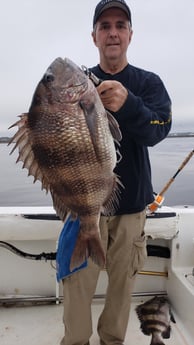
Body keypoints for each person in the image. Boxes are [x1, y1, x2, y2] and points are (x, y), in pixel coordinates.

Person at [60, 1, 172, 345]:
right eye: (104, 26)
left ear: (130, 35)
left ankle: (113, 341)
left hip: (132, 209)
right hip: (82, 207)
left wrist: (130, 104)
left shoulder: (148, 83)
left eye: (120, 25)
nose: (112, 32)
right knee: (77, 285)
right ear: (93, 36)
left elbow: (159, 129)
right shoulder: (76, 85)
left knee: (122, 286)